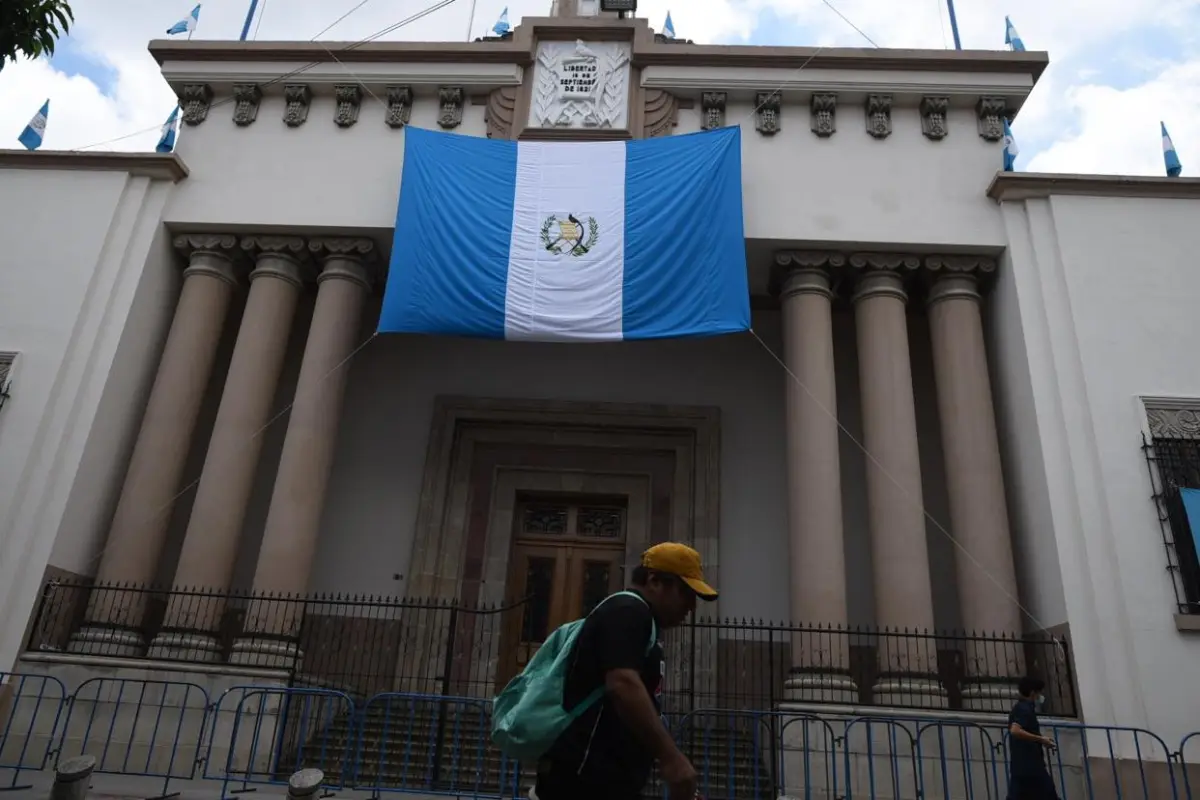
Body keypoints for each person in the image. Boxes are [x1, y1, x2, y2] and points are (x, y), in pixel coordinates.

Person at [533, 542, 718, 800]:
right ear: (654, 581)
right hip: (583, 779)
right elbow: (622, 684)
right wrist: (671, 757)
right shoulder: (628, 611)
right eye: (686, 593)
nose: (691, 607)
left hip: (604, 780)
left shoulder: (642, 622)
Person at [1007, 675, 1060, 800]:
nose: (1040, 696)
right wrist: (1041, 739)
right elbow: (1015, 730)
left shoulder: (1020, 707)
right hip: (1031, 766)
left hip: (1021, 765)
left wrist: (1043, 740)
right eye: (1039, 693)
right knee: (1048, 794)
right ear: (1032, 693)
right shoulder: (1024, 709)